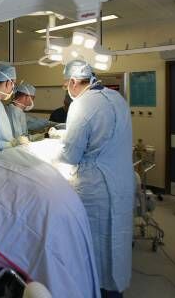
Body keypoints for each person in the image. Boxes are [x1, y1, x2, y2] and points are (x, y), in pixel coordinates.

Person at [59, 59, 134, 298]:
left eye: (66, 85)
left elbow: (70, 155)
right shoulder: (117, 99)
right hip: (122, 182)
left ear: (73, 81)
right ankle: (116, 291)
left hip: (97, 188)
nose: (67, 90)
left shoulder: (82, 105)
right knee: (118, 242)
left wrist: (60, 146)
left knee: (96, 250)